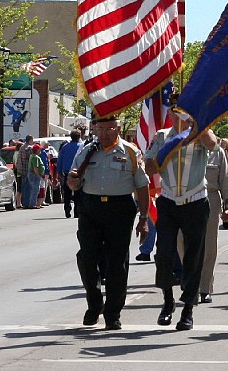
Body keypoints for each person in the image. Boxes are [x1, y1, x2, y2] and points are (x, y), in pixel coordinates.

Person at [67, 116, 150, 331]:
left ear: (118, 128)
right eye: (99, 129)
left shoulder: (130, 152)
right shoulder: (86, 151)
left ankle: (112, 314)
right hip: (90, 207)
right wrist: (72, 182)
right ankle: (94, 304)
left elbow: (142, 186)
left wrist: (144, 219)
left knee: (117, 263)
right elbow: (73, 180)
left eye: (109, 129)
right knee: (87, 257)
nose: (103, 134)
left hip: (120, 208)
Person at [144, 116, 217, 331]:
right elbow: (150, 168)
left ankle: (188, 310)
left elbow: (212, 144)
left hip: (195, 201)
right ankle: (168, 301)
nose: (181, 117)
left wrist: (198, 127)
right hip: (168, 201)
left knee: (194, 256)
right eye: (177, 111)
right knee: (164, 253)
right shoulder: (161, 136)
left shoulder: (201, 132)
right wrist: (164, 152)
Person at [199, 139, 228, 303]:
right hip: (184, 199)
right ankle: (191, 280)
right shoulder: (181, 147)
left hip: (210, 199)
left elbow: (225, 180)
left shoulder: (217, 151)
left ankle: (204, 288)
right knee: (182, 241)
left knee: (208, 246)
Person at [57, 130, 84, 218]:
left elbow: (60, 159)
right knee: (78, 194)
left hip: (67, 173)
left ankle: (67, 210)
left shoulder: (65, 147)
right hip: (79, 173)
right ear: (79, 137)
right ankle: (76, 211)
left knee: (67, 194)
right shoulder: (82, 146)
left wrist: (59, 171)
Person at [26, 144, 45, 209]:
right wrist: (38, 175)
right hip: (34, 175)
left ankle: (35, 203)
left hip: (33, 174)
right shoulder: (35, 157)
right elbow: (35, 167)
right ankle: (32, 204)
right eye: (39, 149)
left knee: (35, 189)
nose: (40, 150)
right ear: (36, 150)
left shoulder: (33, 156)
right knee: (35, 190)